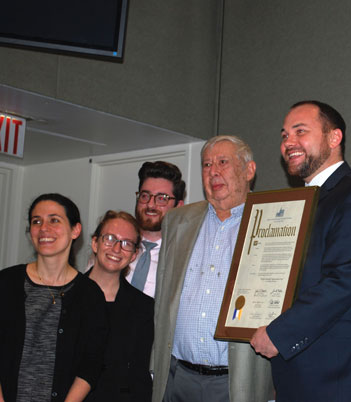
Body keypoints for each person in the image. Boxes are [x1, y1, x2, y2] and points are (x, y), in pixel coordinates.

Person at [250, 100, 351, 402]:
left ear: (334, 138)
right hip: (300, 376)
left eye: (301, 131)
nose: (289, 143)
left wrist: (279, 333)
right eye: (284, 135)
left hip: (339, 379)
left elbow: (343, 280)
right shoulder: (301, 203)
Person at [152, 135, 273, 402]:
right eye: (206, 165)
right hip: (177, 377)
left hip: (236, 382)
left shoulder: (271, 221)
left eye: (222, 162)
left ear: (249, 170)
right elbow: (162, 300)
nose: (213, 172)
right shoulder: (176, 221)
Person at [0, 193, 107, 402]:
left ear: (75, 230)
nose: (43, 228)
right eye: (36, 221)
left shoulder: (90, 294)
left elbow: (91, 364)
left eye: (54, 220)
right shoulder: (6, 282)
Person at [85, 211, 154, 402]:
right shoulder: (67, 296)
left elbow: (139, 377)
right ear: (94, 243)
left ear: (134, 255)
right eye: (109, 239)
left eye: (126, 243)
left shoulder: (145, 308)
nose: (116, 248)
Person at [126, 161, 185, 297]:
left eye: (162, 198)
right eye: (145, 196)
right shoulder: (116, 248)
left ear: (178, 206)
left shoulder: (183, 259)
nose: (150, 205)